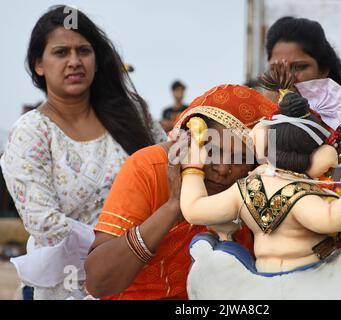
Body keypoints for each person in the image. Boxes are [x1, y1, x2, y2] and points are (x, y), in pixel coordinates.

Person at [180, 67, 341, 274]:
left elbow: (193, 208)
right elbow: (337, 218)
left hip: (262, 278)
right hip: (305, 279)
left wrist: (193, 163)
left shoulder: (248, 186)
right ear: (316, 153)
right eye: (328, 146)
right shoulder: (300, 197)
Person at [0, 5, 163, 299]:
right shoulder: (32, 132)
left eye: (84, 51)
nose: (74, 61)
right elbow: (44, 223)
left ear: (97, 60)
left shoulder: (133, 114)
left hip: (147, 281)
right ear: (39, 64)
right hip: (68, 288)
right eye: (61, 52)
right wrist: (121, 251)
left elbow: (167, 171)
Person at [84, 84, 278, 299]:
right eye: (212, 151)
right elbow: (98, 283)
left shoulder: (258, 185)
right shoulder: (150, 167)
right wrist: (173, 207)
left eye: (241, 158)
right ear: (188, 144)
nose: (223, 169)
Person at [263, 16, 341, 183]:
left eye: (299, 67)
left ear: (323, 71)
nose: (288, 77)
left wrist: (328, 169)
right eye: (277, 69)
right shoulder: (254, 127)